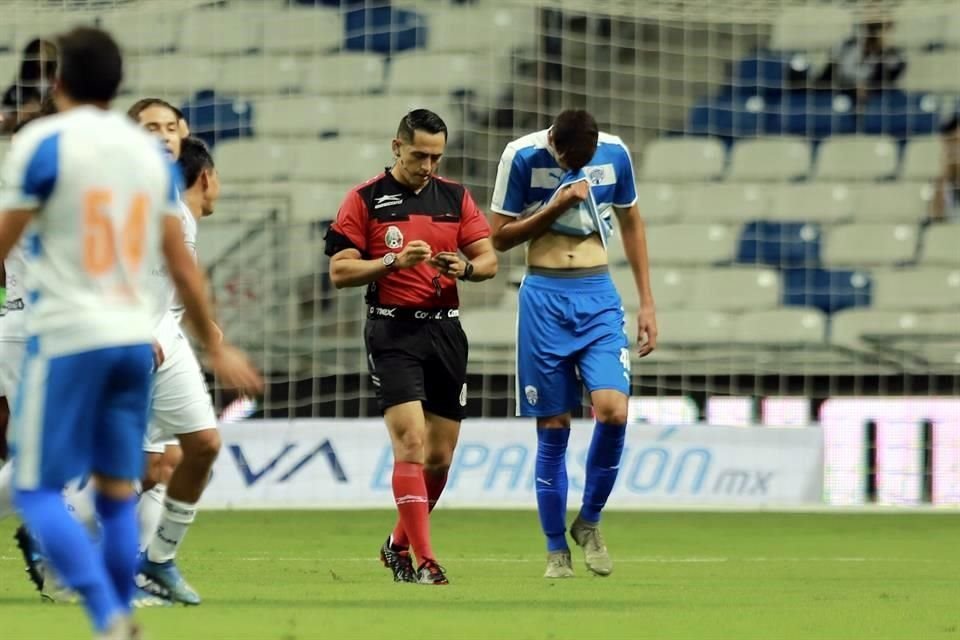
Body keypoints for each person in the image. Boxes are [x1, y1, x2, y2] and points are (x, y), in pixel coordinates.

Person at [0, 26, 261, 640]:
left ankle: (106, 610)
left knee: (37, 489)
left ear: (57, 82)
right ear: (118, 88)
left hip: (66, 334)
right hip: (134, 341)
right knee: (120, 487)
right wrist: (213, 342)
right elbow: (180, 264)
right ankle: (120, 609)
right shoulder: (148, 157)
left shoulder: (42, 142)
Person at [325, 109, 497, 585]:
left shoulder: (455, 197)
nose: (428, 165)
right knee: (412, 443)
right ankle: (425, 561)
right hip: (392, 332)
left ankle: (396, 545)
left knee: (440, 458)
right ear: (396, 146)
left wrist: (464, 268)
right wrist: (392, 262)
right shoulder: (364, 199)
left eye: (436, 156)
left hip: (445, 331)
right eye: (419, 154)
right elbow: (340, 272)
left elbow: (488, 260)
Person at [489, 109, 657, 579]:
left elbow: (632, 224)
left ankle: (590, 521)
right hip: (544, 295)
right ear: (554, 146)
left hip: (598, 293)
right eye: (566, 160)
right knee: (554, 426)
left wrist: (647, 302)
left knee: (614, 410)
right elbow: (498, 238)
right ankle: (554, 549)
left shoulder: (616, 154)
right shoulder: (520, 155)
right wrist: (558, 205)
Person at [136, 135, 223, 606]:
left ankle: (156, 561)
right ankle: (58, 538)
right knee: (133, 465)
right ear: (207, 177)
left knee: (190, 450)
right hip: (133, 343)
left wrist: (201, 327)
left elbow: (174, 286)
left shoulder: (177, 217)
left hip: (163, 343)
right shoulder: (155, 212)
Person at [819, 20, 906, 104]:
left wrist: (867, 87)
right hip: (837, 90)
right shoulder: (848, 46)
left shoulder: (890, 58)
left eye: (885, 31)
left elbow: (891, 74)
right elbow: (836, 70)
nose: (881, 35)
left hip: (870, 95)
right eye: (876, 30)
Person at [930, 115, 960, 223]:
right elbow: (937, 219)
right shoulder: (941, 183)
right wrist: (945, 176)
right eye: (951, 142)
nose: (956, 150)